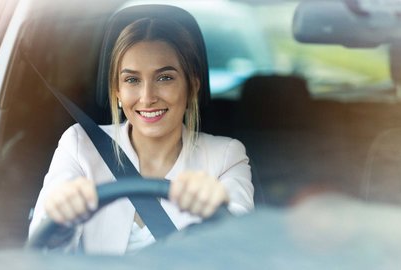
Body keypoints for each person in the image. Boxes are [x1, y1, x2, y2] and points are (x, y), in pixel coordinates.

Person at [28, 16, 254, 255]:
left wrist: (218, 216)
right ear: (116, 90)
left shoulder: (226, 157)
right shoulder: (80, 145)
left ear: (192, 86)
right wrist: (62, 222)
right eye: (132, 80)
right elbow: (40, 253)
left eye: (164, 77)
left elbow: (240, 253)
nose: (147, 97)